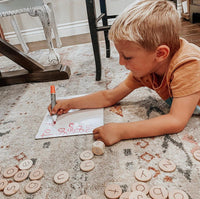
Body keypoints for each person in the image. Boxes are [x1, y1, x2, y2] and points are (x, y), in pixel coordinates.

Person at [48, 0, 200, 146]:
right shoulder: (145, 71)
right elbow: (109, 97)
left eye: (127, 57)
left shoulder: (188, 65)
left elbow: (176, 120)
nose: (120, 62)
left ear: (160, 54)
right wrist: (70, 103)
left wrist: (122, 131)